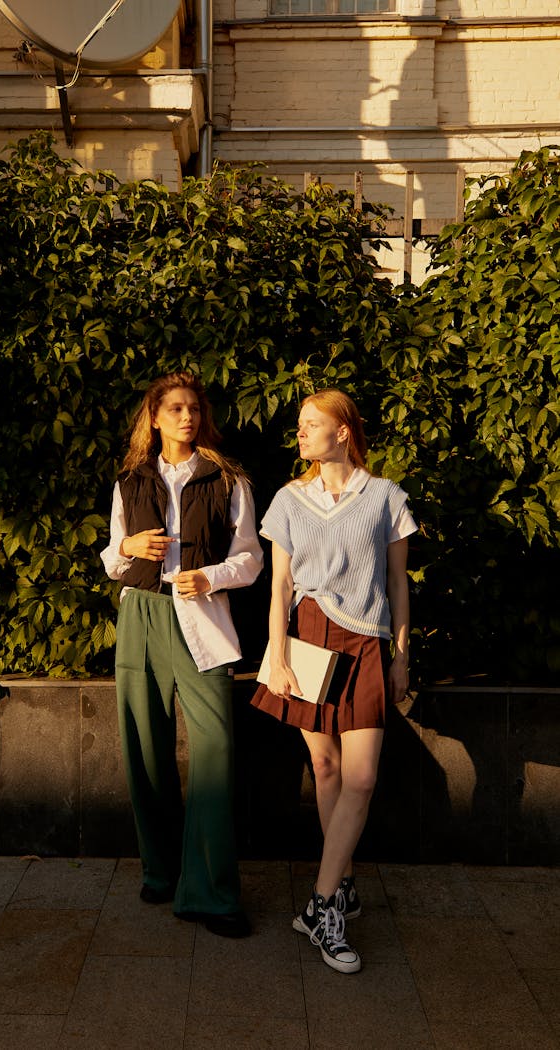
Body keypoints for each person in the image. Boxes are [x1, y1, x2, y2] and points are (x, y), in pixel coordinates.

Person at [251, 388, 416, 973]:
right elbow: (278, 589)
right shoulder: (289, 500)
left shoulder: (386, 498)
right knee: (325, 769)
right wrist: (279, 657)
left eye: (311, 424)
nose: (300, 433)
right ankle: (339, 890)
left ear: (342, 432)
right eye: (300, 424)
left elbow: (398, 583)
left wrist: (399, 654)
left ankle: (322, 905)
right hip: (307, 640)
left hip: (366, 640)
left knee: (363, 777)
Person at [101, 371, 263, 939]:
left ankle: (212, 894)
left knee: (215, 751)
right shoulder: (129, 480)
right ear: (154, 418)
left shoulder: (227, 479)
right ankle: (161, 870)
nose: (186, 417)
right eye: (174, 409)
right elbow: (111, 559)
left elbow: (251, 560)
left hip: (203, 619)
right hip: (141, 613)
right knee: (145, 746)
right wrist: (127, 546)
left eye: (193, 408)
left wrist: (208, 576)